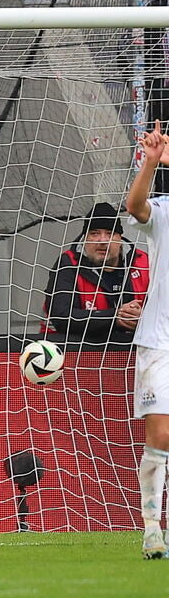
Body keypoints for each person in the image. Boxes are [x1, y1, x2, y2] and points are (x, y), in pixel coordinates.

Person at [125, 119, 169, 559]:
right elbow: (135, 206)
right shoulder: (166, 211)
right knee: (160, 432)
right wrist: (151, 163)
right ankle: (153, 529)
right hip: (161, 340)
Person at [43, 202, 149, 342]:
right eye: (94, 233)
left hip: (137, 354)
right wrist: (115, 317)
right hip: (75, 353)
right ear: (85, 238)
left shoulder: (144, 262)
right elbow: (61, 316)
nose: (103, 240)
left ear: (120, 239)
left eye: (110, 233)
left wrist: (144, 319)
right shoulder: (68, 264)